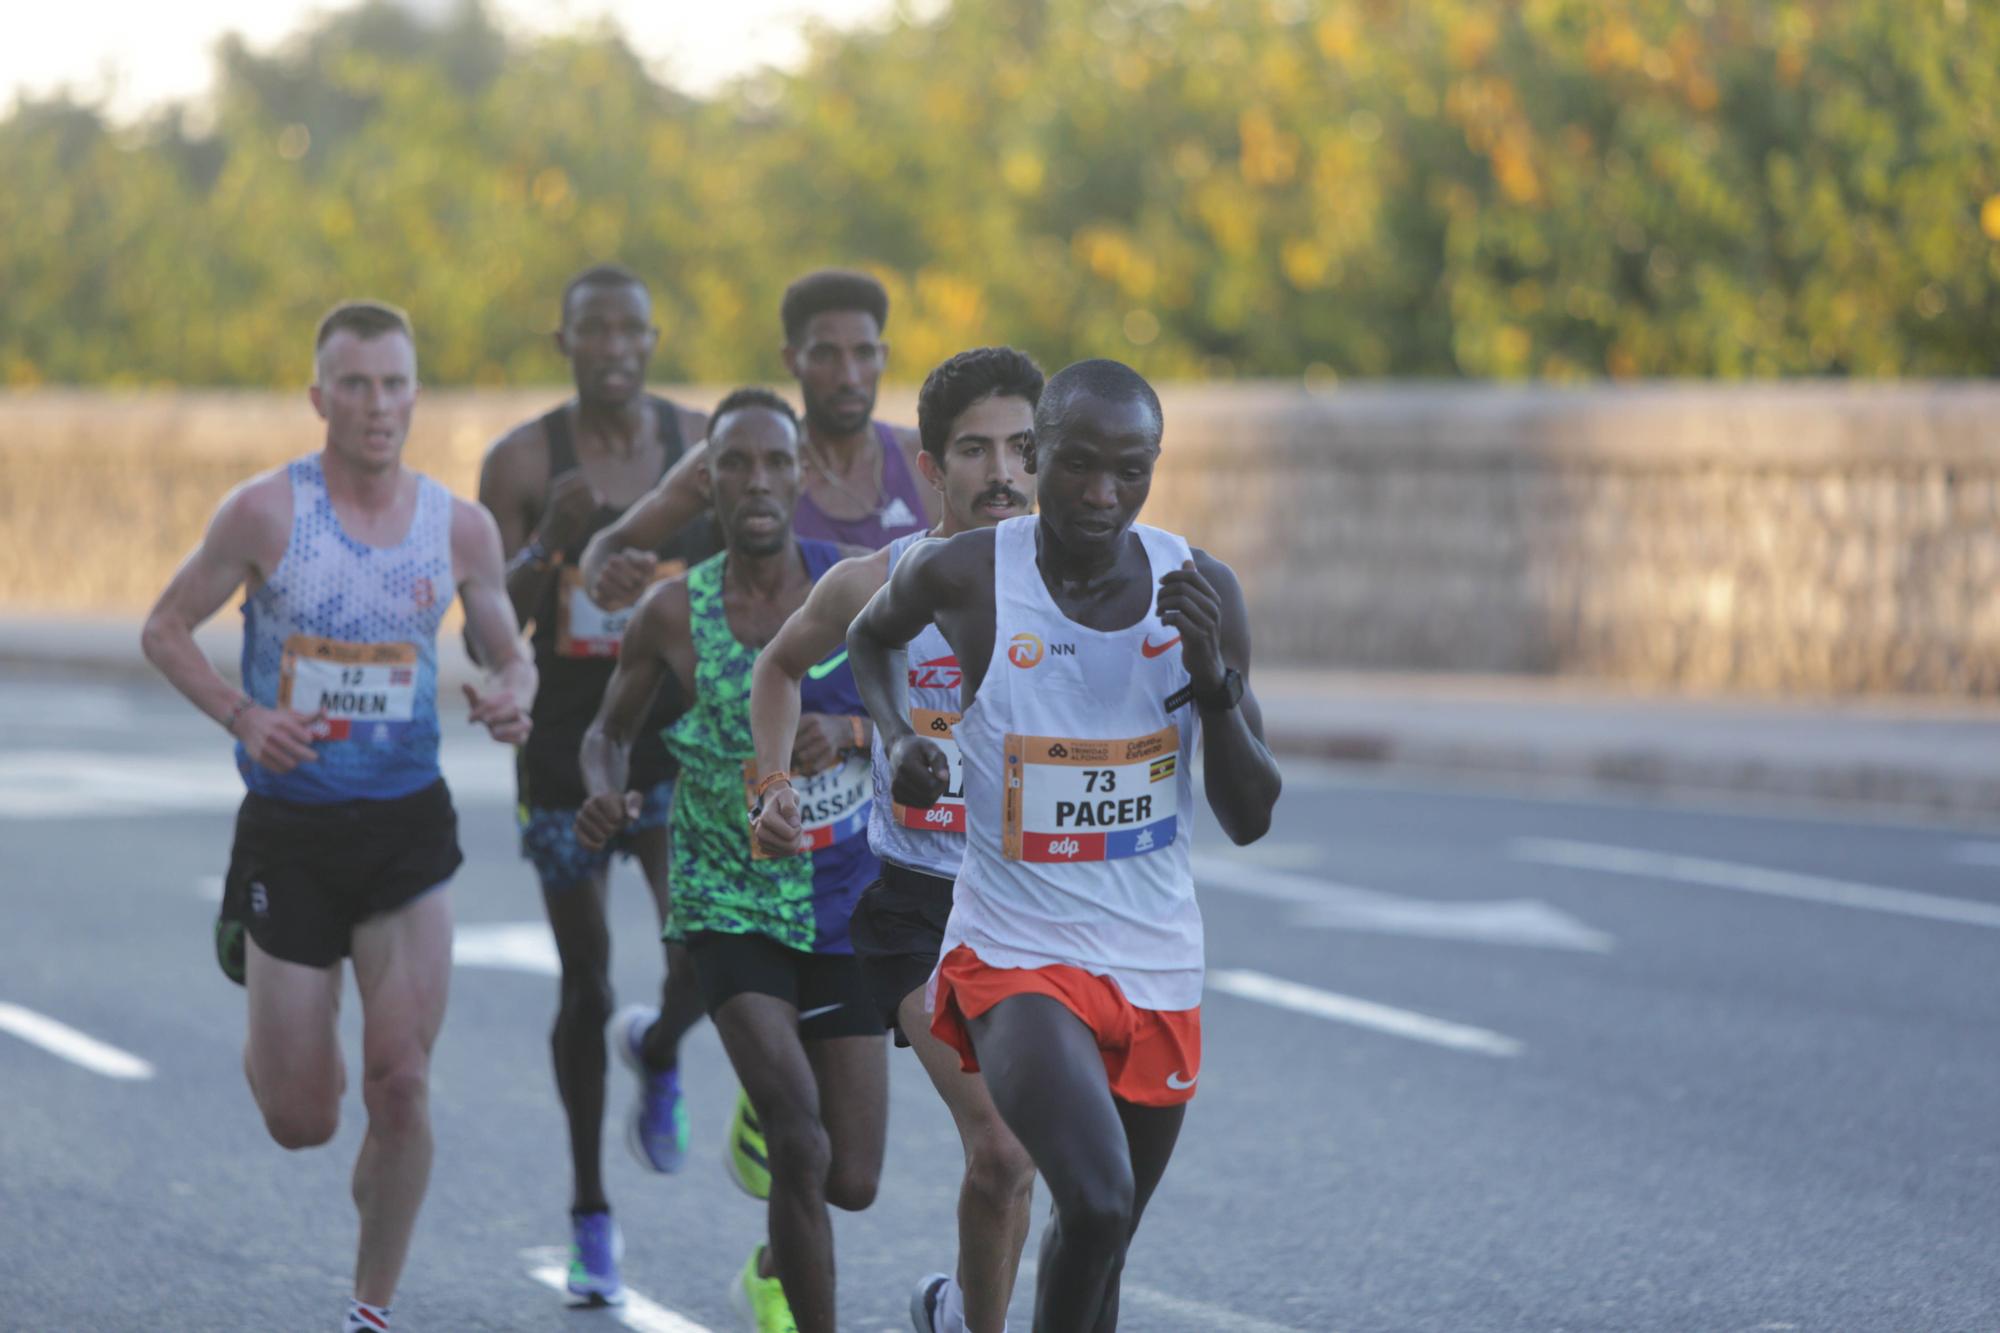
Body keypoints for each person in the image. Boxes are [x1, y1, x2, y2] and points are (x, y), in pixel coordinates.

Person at [847, 359, 1283, 1332]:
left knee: (1100, 1243)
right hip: (1014, 953)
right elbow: (868, 639)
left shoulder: (1200, 588)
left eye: (1129, 470)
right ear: (1037, 455)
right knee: (1094, 1196)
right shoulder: (966, 576)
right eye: (1078, 464)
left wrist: (1213, 681)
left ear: (1154, 465)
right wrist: (898, 735)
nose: (1100, 494)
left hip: (1155, 963)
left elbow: (1250, 813)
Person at [140, 301, 536, 1333]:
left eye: (394, 384)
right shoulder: (267, 514)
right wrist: (244, 711)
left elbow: (506, 643)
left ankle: (371, 1308)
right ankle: (272, 1003)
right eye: (354, 385)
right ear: (320, 398)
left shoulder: (458, 526)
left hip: (407, 829)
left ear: (415, 394)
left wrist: (515, 688)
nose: (376, 405)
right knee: (303, 1118)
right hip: (291, 832)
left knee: (401, 1084)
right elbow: (165, 628)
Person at [747, 347, 1043, 1333]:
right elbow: (779, 669)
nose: (1000, 470)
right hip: (923, 907)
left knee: (1030, 1159)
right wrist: (774, 784)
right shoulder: (877, 582)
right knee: (999, 1148)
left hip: (1051, 907)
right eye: (973, 449)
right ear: (929, 467)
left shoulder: (1089, 598)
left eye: (1021, 447)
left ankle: (963, 1310)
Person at [576, 389, 886, 1333]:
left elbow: (935, 714)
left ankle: (771, 1264)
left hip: (841, 900)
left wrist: (854, 728)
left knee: (853, 1176)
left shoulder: (855, 588)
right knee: (798, 1141)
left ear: (802, 476)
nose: (757, 480)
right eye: (737, 464)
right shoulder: (674, 611)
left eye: (775, 462)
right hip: (727, 899)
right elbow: (607, 730)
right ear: (707, 481)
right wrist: (605, 788)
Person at [475, 263, 715, 1303]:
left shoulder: (702, 446)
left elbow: (741, 583)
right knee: (586, 977)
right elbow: (487, 617)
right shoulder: (525, 458)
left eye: (631, 329)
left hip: (675, 743)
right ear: (564, 341)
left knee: (698, 948)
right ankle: (590, 1216)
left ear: (653, 340)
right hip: (567, 751)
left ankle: (658, 1050)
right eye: (593, 331)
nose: (614, 347)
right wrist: (546, 541)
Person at [575, 267, 931, 610]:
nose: (848, 376)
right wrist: (604, 581)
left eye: (863, 353)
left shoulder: (924, 460)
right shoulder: (739, 460)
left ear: (883, 357)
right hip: (782, 669)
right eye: (825, 354)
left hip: (910, 672)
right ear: (792, 360)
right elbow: (609, 544)